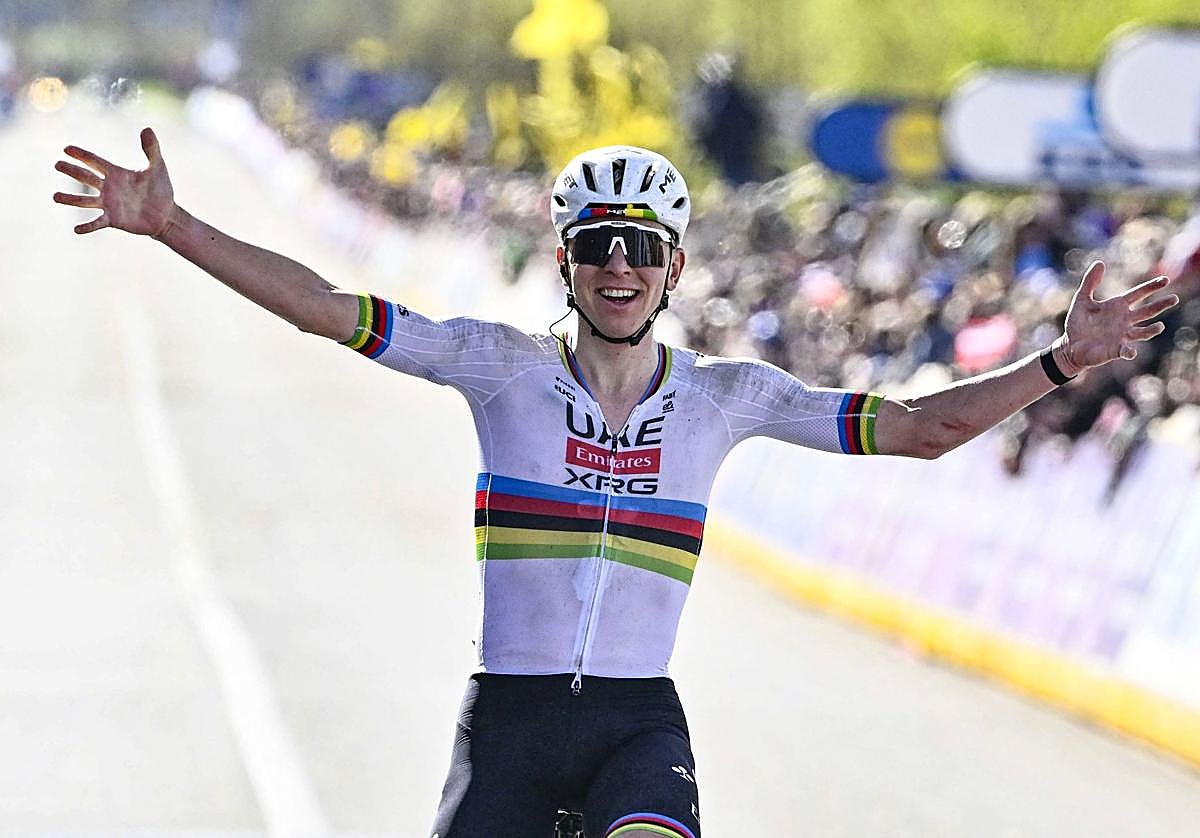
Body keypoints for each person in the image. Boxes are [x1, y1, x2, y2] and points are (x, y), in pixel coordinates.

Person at [53, 131, 1178, 838]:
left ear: (676, 266)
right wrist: (174, 225)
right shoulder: (496, 366)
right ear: (566, 261)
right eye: (598, 244)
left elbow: (925, 431)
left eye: (643, 246)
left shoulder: (731, 397)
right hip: (511, 721)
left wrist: (1062, 361)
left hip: (638, 723)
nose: (620, 265)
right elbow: (321, 308)